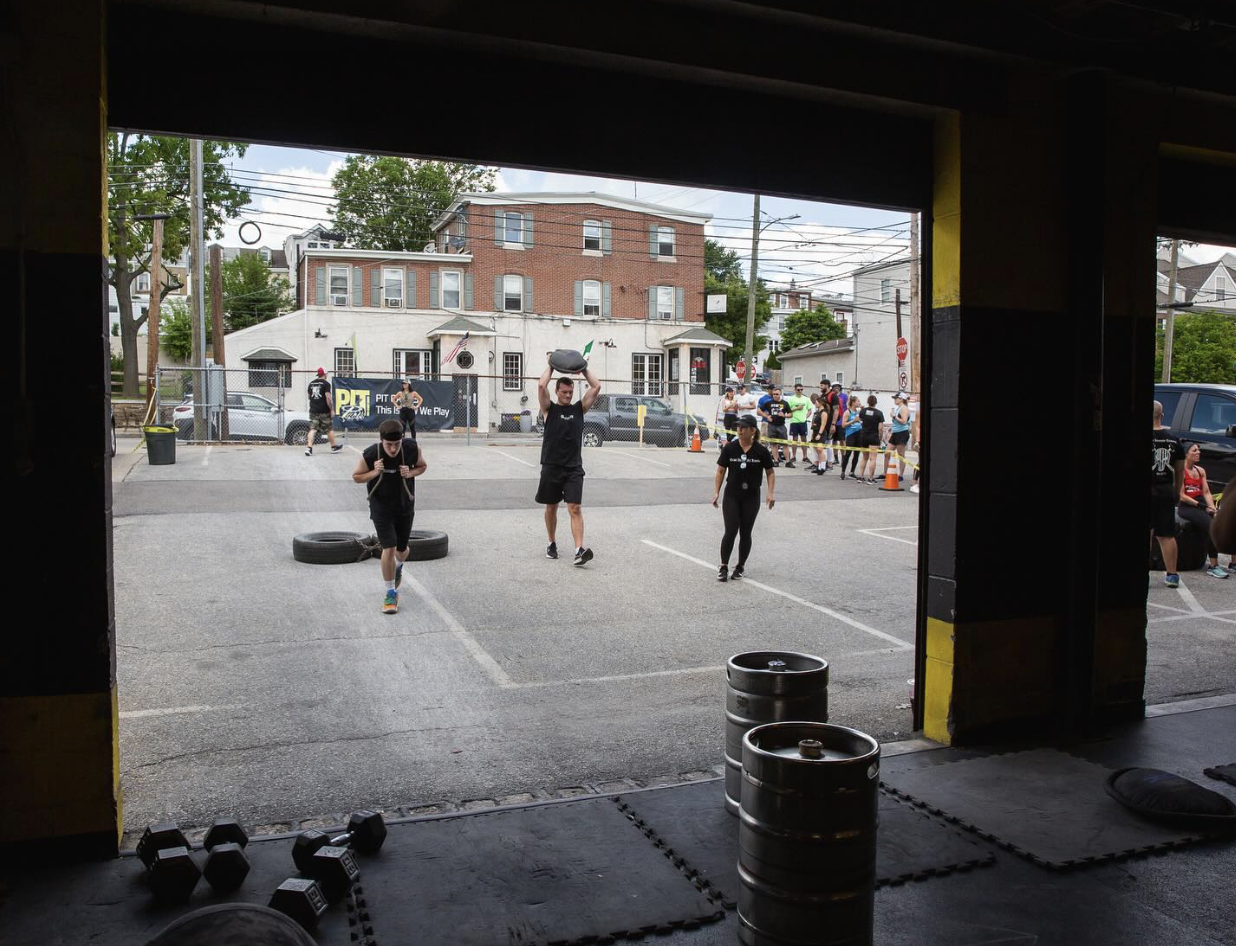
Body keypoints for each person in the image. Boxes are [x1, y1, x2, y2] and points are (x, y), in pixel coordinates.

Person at [352, 419, 427, 614]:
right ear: (381, 441)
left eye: (396, 444)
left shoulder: (411, 448)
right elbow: (357, 477)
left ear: (402, 439)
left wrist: (410, 473)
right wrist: (374, 472)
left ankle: (399, 567)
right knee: (389, 547)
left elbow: (422, 466)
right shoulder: (371, 454)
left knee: (402, 551)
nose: (393, 449)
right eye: (388, 445)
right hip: (381, 507)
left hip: (404, 505)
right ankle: (390, 593)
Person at [537, 357, 601, 566]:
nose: (567, 395)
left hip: (573, 467)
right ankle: (551, 543)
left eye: (570, 392)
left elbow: (596, 386)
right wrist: (552, 366)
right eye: (564, 392)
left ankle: (578, 550)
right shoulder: (549, 409)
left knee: (575, 507)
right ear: (557, 392)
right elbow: (541, 384)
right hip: (551, 466)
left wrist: (583, 369)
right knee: (551, 507)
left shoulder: (579, 409)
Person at [712, 415, 775, 582]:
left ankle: (740, 566)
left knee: (745, 532)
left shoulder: (761, 451)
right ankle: (723, 566)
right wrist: (716, 492)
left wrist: (770, 493)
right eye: (738, 427)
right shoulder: (730, 448)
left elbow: (770, 472)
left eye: (744, 427)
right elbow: (720, 471)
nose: (739, 429)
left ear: (752, 430)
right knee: (731, 530)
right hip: (732, 495)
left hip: (751, 497)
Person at [1177, 443, 1229, 579]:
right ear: (1186, 454)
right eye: (1194, 450)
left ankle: (1233, 563)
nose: (1198, 452)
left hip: (1202, 504)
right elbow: (1182, 496)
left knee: (1221, 521)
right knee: (1212, 526)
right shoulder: (1180, 471)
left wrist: (1213, 508)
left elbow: (1206, 492)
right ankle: (1213, 566)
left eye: (1199, 450)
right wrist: (1202, 507)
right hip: (1188, 506)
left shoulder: (1200, 471)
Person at [1150, 399, 1186, 589]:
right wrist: (1177, 491)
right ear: (1161, 415)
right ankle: (1172, 575)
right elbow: (1180, 470)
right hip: (1165, 490)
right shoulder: (1173, 439)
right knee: (1166, 534)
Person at [305, 367, 342, 456]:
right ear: (325, 374)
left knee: (313, 429)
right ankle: (333, 447)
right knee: (329, 429)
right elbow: (328, 398)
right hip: (324, 411)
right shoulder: (326, 384)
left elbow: (309, 397)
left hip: (313, 410)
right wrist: (331, 410)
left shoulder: (311, 383)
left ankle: (309, 448)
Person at [760, 387, 793, 467]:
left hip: (781, 426)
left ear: (780, 394)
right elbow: (759, 411)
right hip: (771, 426)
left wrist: (784, 415)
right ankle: (776, 461)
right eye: (774, 394)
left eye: (777, 394)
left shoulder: (785, 403)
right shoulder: (769, 403)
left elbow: (791, 414)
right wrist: (767, 416)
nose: (775, 395)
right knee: (773, 444)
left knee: (785, 444)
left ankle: (788, 462)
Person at [856, 395, 885, 484]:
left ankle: (860, 477)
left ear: (868, 402)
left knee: (864, 458)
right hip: (874, 436)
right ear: (876, 403)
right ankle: (870, 478)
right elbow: (880, 428)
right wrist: (880, 438)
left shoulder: (863, 411)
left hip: (864, 436)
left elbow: (859, 419)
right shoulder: (879, 413)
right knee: (873, 458)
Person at [884, 393, 912, 479]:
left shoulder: (904, 409)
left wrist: (894, 416)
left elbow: (904, 421)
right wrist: (890, 428)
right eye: (894, 398)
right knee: (887, 453)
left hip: (902, 433)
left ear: (901, 399)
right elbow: (897, 422)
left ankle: (901, 475)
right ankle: (885, 473)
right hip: (895, 433)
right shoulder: (898, 408)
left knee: (900, 454)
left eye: (896, 398)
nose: (895, 400)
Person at [785, 383, 813, 467]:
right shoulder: (791, 399)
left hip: (803, 422)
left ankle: (805, 456)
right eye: (798, 389)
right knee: (795, 439)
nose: (800, 391)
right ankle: (793, 456)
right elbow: (788, 410)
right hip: (794, 421)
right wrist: (797, 408)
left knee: (804, 439)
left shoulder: (806, 399)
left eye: (801, 389)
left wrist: (805, 417)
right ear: (795, 390)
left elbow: (810, 410)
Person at [840, 397, 864, 480]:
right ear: (853, 402)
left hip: (859, 433)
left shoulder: (858, 411)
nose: (859, 402)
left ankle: (852, 472)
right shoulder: (847, 412)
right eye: (858, 401)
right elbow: (843, 425)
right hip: (850, 434)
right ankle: (843, 471)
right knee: (848, 453)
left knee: (856, 454)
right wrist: (853, 421)